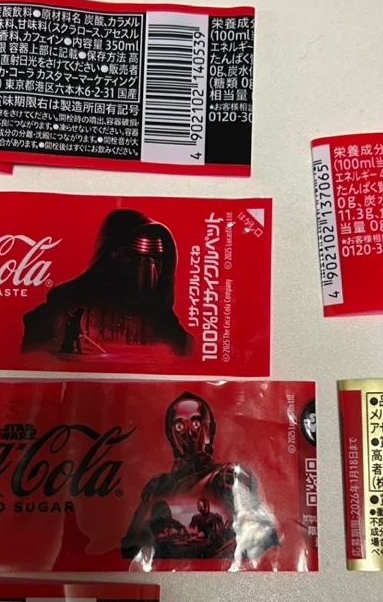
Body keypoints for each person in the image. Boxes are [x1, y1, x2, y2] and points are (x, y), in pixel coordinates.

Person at [120, 392, 279, 562]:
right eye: (180, 426)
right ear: (170, 434)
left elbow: (262, 537)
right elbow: (131, 546)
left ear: (209, 429)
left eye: (196, 423)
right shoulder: (157, 486)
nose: (189, 433)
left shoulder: (227, 476)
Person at [22, 209, 191, 358]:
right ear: (112, 257)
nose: (148, 268)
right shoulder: (57, 310)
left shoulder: (164, 323)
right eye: (134, 257)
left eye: (155, 259)